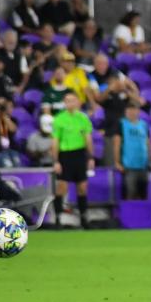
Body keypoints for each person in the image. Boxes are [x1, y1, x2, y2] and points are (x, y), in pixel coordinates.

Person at [52, 91, 94, 228]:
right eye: (68, 100)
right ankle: (57, 217)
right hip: (65, 155)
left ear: (78, 102)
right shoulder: (59, 119)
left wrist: (90, 157)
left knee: (82, 187)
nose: (70, 103)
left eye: (73, 100)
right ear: (64, 103)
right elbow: (55, 141)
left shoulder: (83, 118)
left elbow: (88, 139)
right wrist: (56, 161)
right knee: (62, 186)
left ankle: (84, 218)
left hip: (80, 155)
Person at [114, 101, 151, 199]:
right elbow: (117, 144)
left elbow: (148, 143)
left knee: (144, 194)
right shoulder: (121, 124)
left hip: (143, 165)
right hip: (129, 166)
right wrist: (117, 162)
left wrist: (150, 160)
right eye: (129, 110)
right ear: (126, 112)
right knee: (130, 193)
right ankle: (129, 214)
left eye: (134, 110)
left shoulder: (144, 125)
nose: (131, 112)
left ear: (138, 111)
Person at [0, 99, 20, 168]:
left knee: (18, 166)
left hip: (11, 149)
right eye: (7, 107)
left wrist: (5, 117)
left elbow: (13, 129)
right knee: (8, 166)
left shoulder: (13, 119)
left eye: (11, 107)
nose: (10, 109)